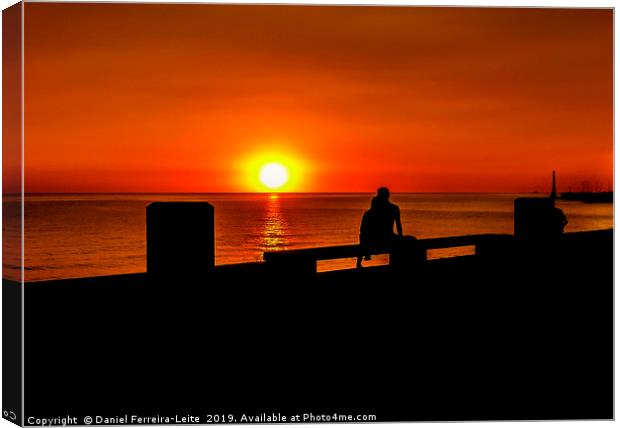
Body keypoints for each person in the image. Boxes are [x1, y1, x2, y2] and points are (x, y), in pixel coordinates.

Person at [356, 187, 404, 268]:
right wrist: (400, 239)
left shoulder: (369, 213)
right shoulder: (394, 208)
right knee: (411, 240)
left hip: (374, 240)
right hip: (389, 238)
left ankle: (359, 263)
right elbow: (398, 226)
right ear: (388, 195)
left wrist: (362, 257)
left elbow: (362, 233)